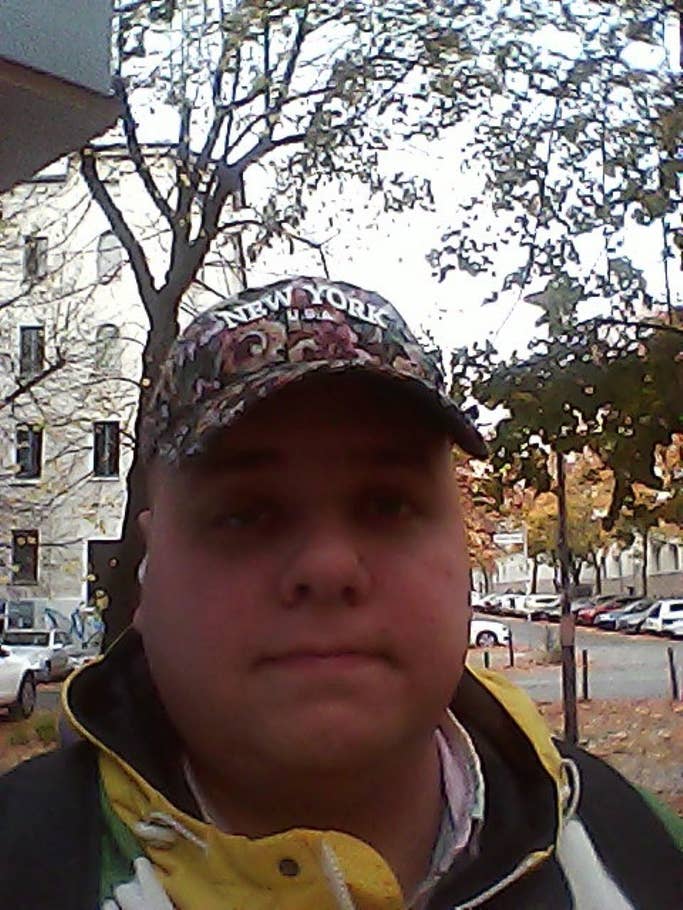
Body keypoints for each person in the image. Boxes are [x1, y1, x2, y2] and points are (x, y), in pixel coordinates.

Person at [0, 277, 680, 909]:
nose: (327, 567)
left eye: (386, 504)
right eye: (245, 513)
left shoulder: (637, 847)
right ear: (149, 567)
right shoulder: (22, 865)